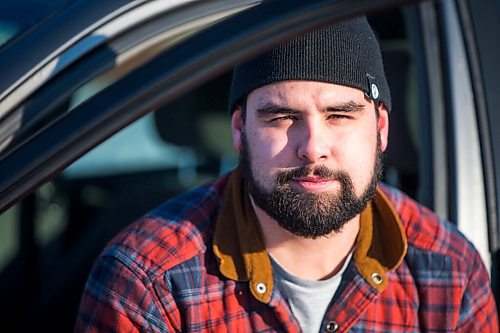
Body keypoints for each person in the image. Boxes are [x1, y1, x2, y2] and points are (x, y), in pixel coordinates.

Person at [75, 17, 498, 332]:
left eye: (339, 116)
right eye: (282, 117)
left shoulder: (450, 273)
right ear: (239, 130)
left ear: (381, 129)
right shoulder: (150, 284)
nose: (313, 146)